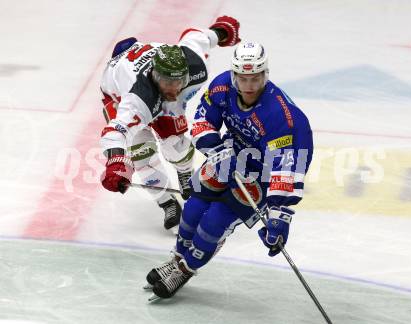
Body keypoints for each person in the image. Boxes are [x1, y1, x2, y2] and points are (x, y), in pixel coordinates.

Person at [146, 41, 314, 299]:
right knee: (191, 210)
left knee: (213, 222)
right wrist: (215, 149)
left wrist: (279, 217)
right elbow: (203, 121)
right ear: (234, 75)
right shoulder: (222, 85)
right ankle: (177, 257)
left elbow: (286, 167)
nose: (249, 86)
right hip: (227, 155)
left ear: (265, 75)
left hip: (259, 176)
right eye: (243, 78)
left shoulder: (281, 117)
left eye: (255, 78)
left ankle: (185, 268)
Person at [99, 16, 241, 230]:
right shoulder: (138, 99)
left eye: (179, 82)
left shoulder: (195, 63)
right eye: (167, 82)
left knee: (175, 143)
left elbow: (196, 36)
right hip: (118, 95)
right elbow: (115, 131)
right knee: (141, 153)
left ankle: (184, 175)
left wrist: (220, 32)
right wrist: (116, 160)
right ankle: (167, 203)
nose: (174, 89)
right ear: (155, 76)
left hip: (152, 91)